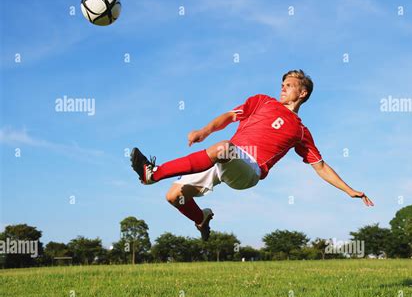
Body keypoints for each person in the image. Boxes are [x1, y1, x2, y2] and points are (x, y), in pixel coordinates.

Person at [130, 69, 374, 241]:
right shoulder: (261, 101)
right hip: (223, 157)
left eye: (289, 85)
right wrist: (204, 131)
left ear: (303, 93)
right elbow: (229, 116)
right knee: (174, 196)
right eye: (282, 84)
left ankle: (153, 173)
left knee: (223, 148)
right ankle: (201, 219)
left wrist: (348, 189)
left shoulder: (300, 131)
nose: (283, 87)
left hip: (249, 169)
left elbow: (320, 166)